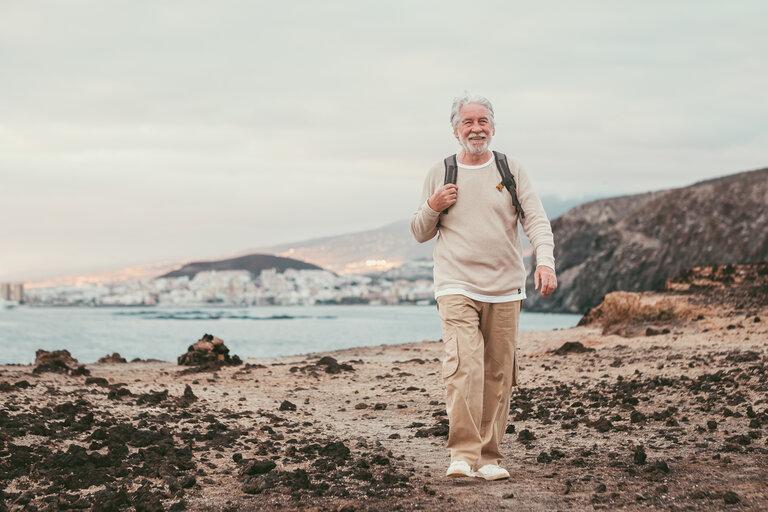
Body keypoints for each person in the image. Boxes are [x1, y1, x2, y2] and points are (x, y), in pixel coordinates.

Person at [410, 93, 557, 481]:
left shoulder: (511, 169)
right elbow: (420, 232)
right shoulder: (441, 172)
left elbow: (537, 221)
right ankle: (462, 454)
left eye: (483, 121)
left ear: (493, 126)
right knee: (463, 367)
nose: (476, 129)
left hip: (506, 288)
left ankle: (490, 457)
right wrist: (434, 204)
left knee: (498, 373)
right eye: (468, 122)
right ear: (455, 130)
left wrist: (545, 262)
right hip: (456, 284)